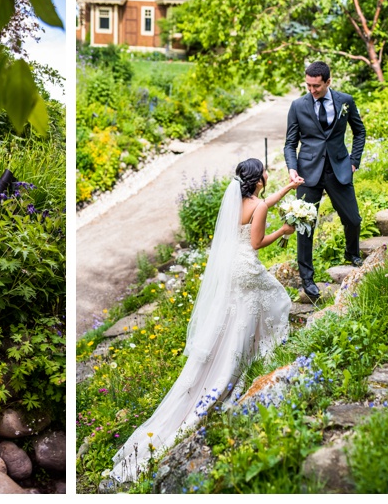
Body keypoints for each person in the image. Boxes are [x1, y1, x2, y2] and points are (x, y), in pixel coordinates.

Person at [110, 158, 302, 483]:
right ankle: (258, 355)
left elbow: (263, 205)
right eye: (266, 173)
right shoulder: (258, 207)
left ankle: (246, 352)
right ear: (258, 179)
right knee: (278, 298)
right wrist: (284, 231)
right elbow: (257, 243)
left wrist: (289, 187)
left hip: (231, 268)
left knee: (236, 316)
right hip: (246, 268)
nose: (269, 175)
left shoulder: (238, 202)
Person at [284, 61, 366, 302]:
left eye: (316, 86)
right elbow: (290, 143)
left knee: (353, 219)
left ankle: (352, 253)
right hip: (307, 173)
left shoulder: (346, 101)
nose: (312, 90)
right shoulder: (297, 106)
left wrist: (354, 160)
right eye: (308, 85)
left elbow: (359, 132)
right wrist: (291, 168)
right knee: (305, 226)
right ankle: (307, 279)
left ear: (328, 82)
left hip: (339, 169)